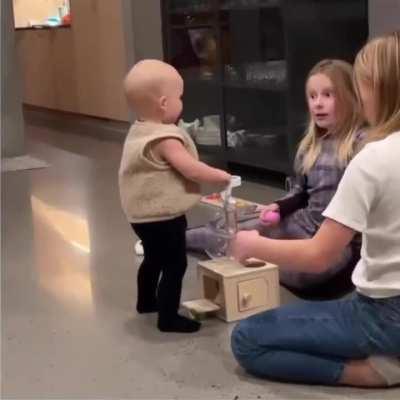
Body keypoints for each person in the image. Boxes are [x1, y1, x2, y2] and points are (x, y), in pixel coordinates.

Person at [230, 31, 400, 387]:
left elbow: (319, 256)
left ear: (376, 88)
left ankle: (371, 372)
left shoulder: (372, 158)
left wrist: (251, 245)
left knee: (247, 339)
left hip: (385, 316)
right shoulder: (347, 150)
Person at [186, 59, 365, 296]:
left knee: (305, 269)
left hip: (336, 241)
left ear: (349, 97)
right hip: (303, 224)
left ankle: (252, 258)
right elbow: (301, 193)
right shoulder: (310, 146)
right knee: (236, 227)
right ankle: (174, 241)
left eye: (328, 95)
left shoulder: (362, 144)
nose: (318, 104)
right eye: (312, 97)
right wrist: (279, 207)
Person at [119, 60, 231, 333]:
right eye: (180, 98)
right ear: (164, 103)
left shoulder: (140, 130)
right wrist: (220, 176)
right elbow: (190, 168)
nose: (182, 103)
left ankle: (146, 301)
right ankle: (168, 317)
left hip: (140, 216)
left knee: (153, 258)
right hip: (163, 216)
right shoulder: (165, 138)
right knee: (175, 263)